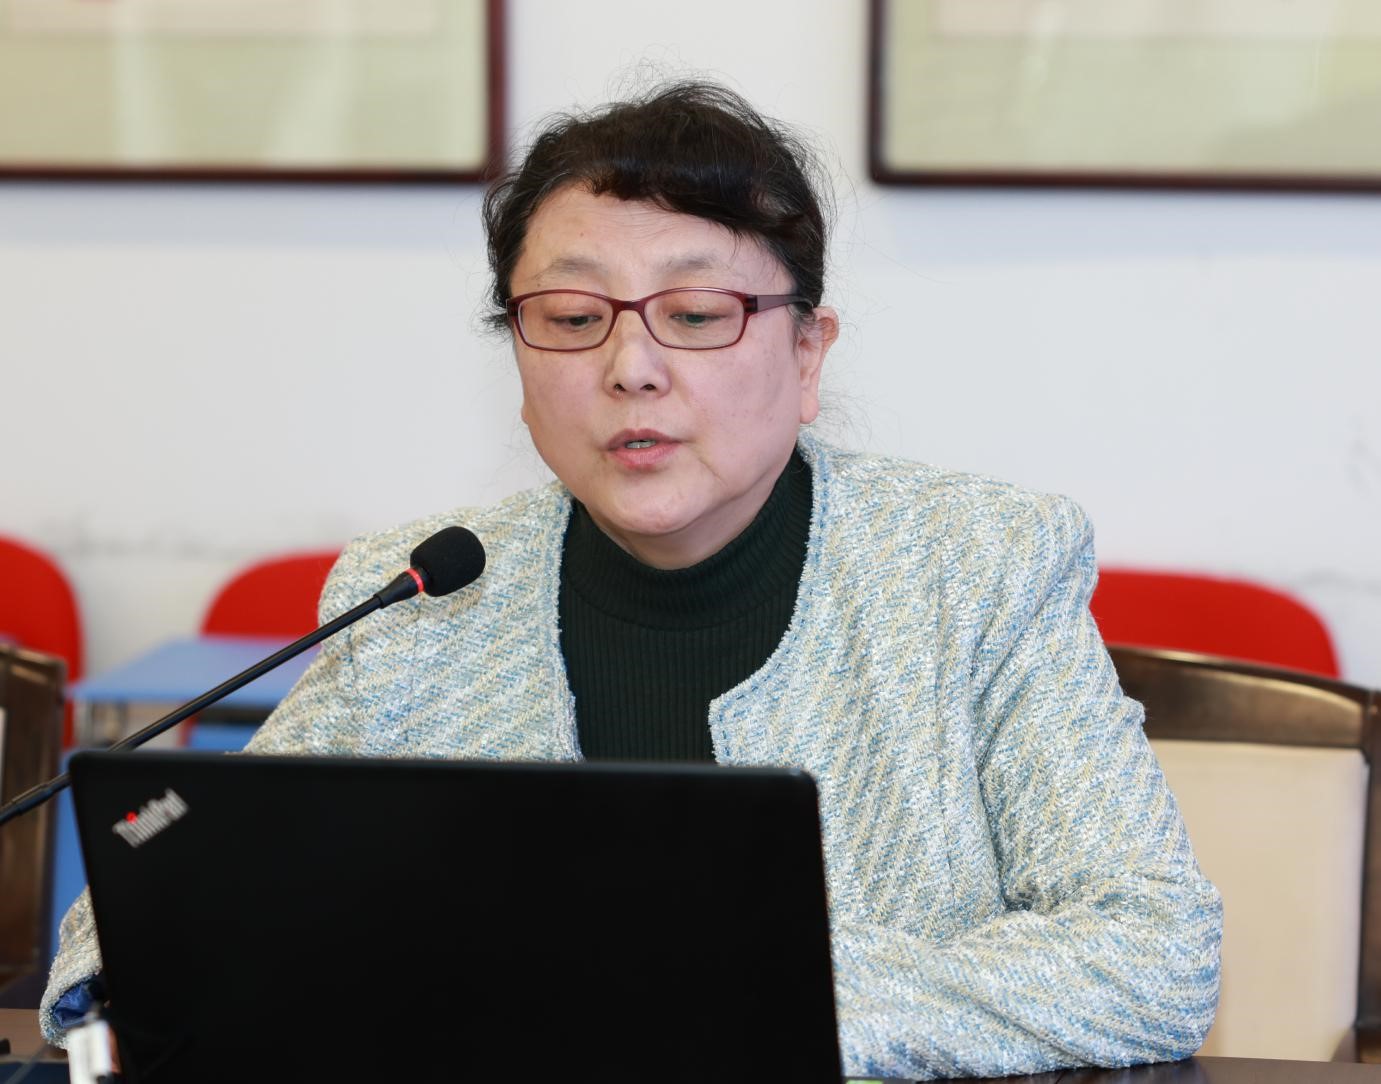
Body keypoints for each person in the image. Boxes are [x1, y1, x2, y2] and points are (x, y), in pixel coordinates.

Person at [42, 81, 1222, 1079]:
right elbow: (133, 929)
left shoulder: (979, 567)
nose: (631, 367)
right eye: (570, 316)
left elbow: (1153, 952)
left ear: (807, 353)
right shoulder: (422, 595)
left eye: (696, 314)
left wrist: (726, 999)